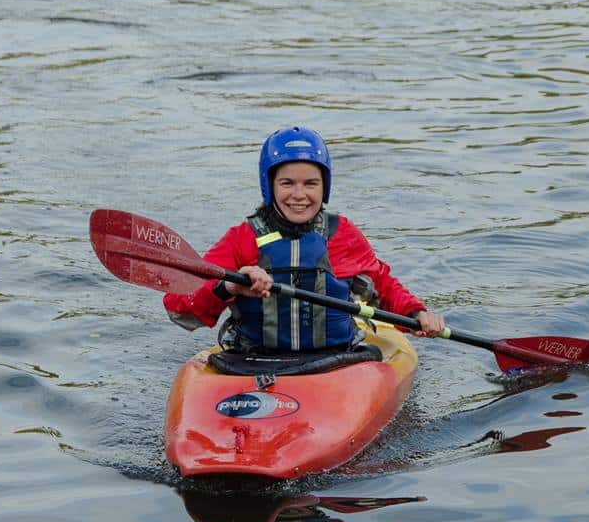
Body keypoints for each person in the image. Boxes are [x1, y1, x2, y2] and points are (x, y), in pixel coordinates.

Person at [164, 126, 445, 352]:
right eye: (287, 183)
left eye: (311, 183)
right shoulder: (243, 238)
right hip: (252, 362)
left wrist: (417, 313)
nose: (299, 195)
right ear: (269, 185)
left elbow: (383, 287)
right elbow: (179, 308)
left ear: (325, 187)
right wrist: (229, 287)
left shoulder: (341, 234)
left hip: (335, 361)